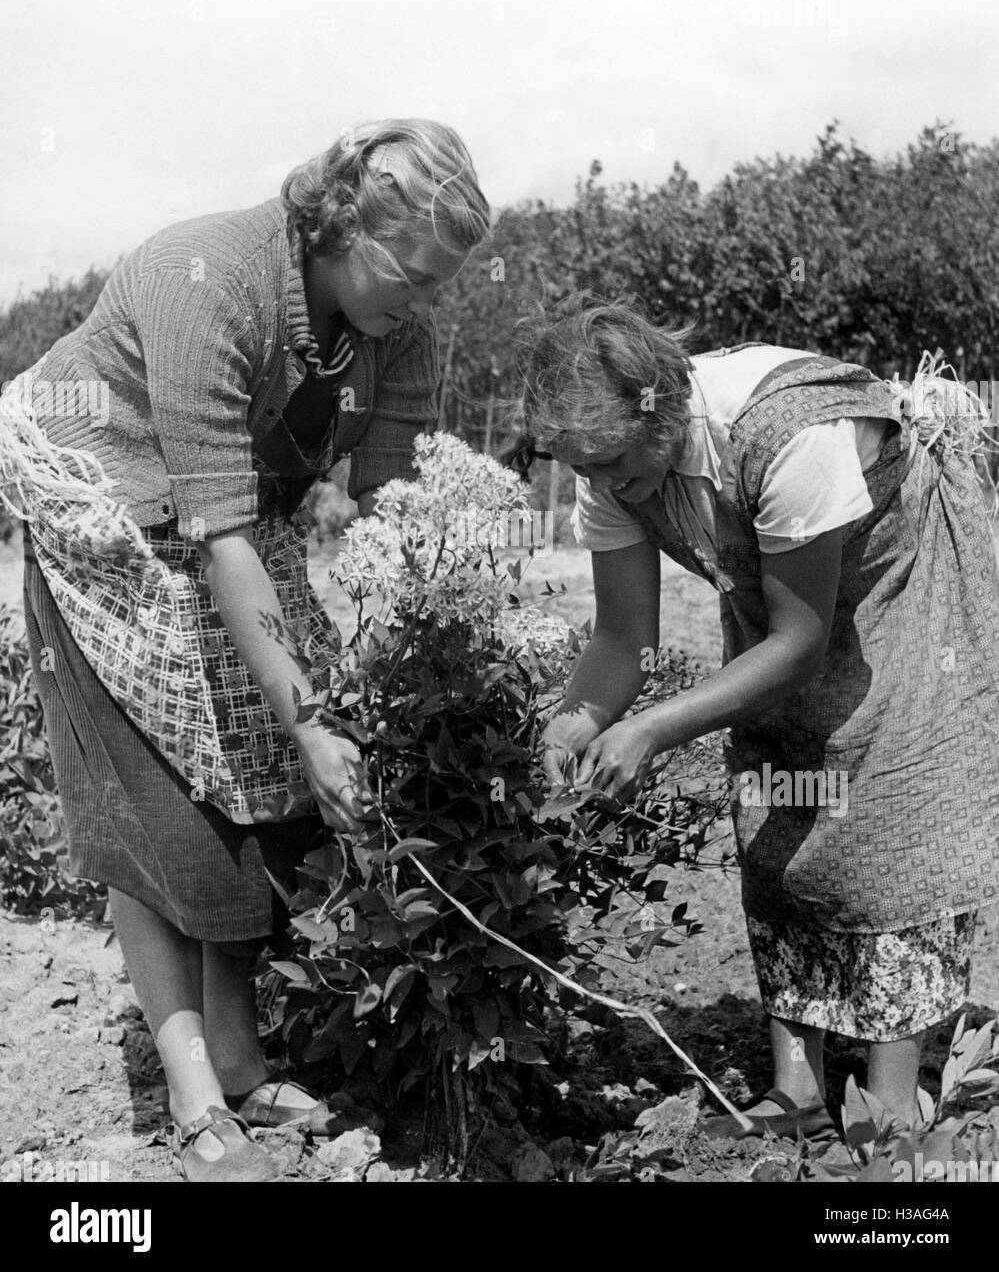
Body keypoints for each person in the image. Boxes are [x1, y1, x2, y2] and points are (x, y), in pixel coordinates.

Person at [0, 119, 490, 1180]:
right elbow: (219, 537)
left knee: (267, 780)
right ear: (346, 226)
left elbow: (385, 507)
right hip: (101, 506)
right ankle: (188, 1080)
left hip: (221, 518)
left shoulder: (394, 331)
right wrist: (310, 716)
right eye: (414, 272)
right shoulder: (209, 281)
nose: (426, 300)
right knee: (156, 795)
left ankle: (236, 1046)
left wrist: (409, 649)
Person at [510, 292, 999, 1139]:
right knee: (781, 796)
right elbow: (623, 635)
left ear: (656, 409)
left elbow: (800, 643)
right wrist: (575, 722)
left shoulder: (787, 436)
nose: (597, 485)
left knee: (885, 812)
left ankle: (884, 1113)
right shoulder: (614, 469)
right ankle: (799, 1092)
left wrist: (654, 728)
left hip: (898, 582)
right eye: (581, 469)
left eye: (609, 463)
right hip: (783, 594)